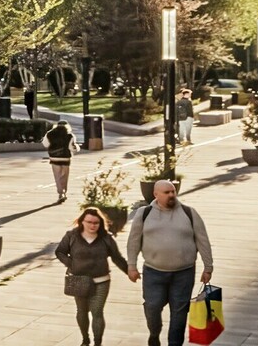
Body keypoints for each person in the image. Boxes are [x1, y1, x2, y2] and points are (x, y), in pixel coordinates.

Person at [123, 179, 212, 346]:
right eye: (167, 192)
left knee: (179, 312)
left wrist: (208, 267)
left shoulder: (189, 213)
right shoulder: (144, 213)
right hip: (153, 272)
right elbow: (133, 241)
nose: (171, 195)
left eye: (173, 192)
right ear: (156, 194)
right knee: (152, 306)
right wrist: (131, 265)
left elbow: (203, 240)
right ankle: (154, 333)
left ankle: (174, 343)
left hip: (184, 273)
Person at [56, 206, 136, 346]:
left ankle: (98, 343)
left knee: (97, 311)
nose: (92, 225)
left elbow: (117, 258)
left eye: (96, 223)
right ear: (82, 222)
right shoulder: (71, 236)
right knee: (81, 311)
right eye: (89, 222)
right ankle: (85, 339)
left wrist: (129, 271)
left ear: (100, 223)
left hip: (101, 280)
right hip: (79, 280)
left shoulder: (106, 238)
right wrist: (72, 264)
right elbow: (60, 252)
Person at [46, 118, 76, 200]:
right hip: (65, 158)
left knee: (57, 176)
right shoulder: (70, 135)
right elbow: (72, 148)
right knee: (65, 176)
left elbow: (45, 144)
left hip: (54, 158)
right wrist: (76, 148)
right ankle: (64, 191)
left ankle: (60, 193)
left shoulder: (49, 134)